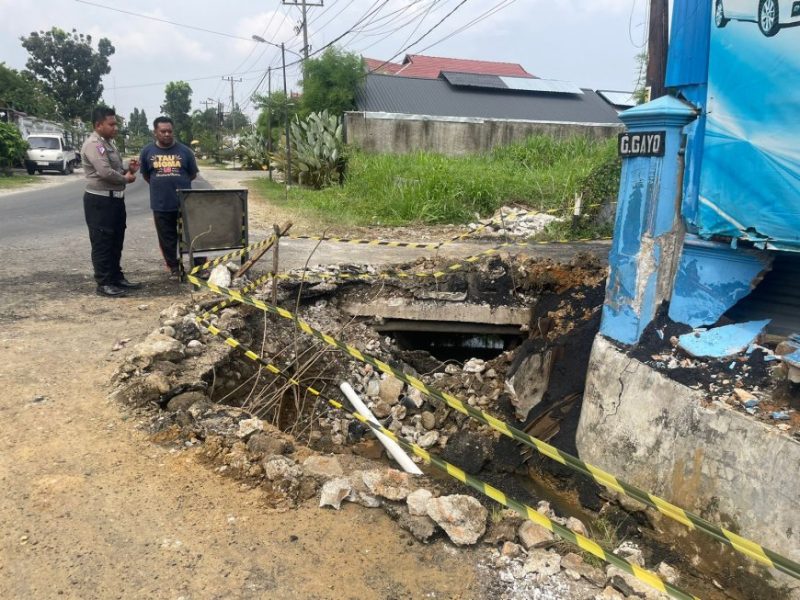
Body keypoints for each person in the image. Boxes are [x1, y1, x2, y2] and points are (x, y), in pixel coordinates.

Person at [81, 106, 141, 297]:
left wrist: (128, 169)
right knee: (102, 241)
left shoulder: (108, 143)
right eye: (111, 124)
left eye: (116, 124)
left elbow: (114, 168)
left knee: (116, 239)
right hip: (100, 201)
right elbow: (105, 172)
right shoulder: (94, 144)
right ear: (98, 125)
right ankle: (104, 282)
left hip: (114, 200)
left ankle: (116, 277)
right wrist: (126, 179)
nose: (116, 128)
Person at [138, 116, 199, 277]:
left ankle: (199, 266)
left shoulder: (185, 151)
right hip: (161, 204)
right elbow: (146, 175)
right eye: (163, 131)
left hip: (185, 203)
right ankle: (174, 267)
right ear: (155, 133)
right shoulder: (147, 152)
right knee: (167, 239)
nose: (167, 134)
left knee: (193, 235)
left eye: (169, 131)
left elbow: (192, 174)